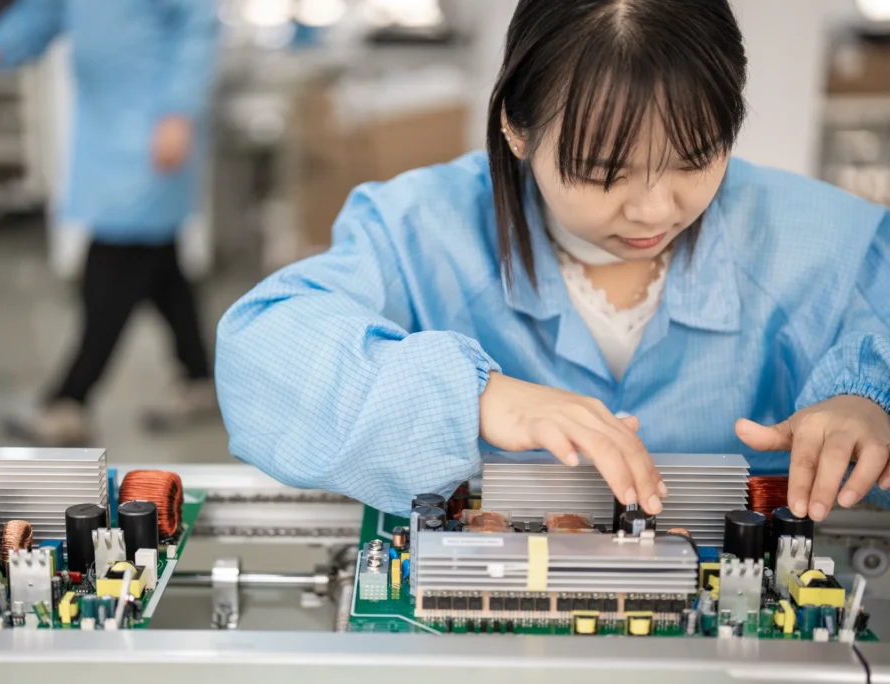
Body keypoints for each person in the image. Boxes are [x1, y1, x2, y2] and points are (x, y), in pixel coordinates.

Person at [216, 0, 890, 522]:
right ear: (515, 126)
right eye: (604, 172)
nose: (655, 210)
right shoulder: (417, 229)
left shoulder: (832, 240)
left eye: (695, 157)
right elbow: (263, 354)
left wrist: (869, 405)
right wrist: (471, 397)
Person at [0, 0, 221, 445]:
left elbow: (196, 21)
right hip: (106, 122)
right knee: (159, 265)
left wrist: (179, 109)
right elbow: (46, 9)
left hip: (153, 120)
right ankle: (198, 379)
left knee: (115, 259)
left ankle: (69, 400)